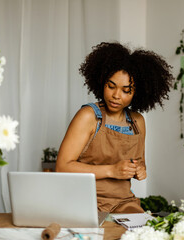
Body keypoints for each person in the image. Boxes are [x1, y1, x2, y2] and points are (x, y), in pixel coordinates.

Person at [56, 42, 173, 213]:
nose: (116, 95)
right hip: (84, 200)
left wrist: (139, 170)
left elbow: (140, 163)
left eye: (126, 91)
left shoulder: (137, 122)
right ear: (102, 82)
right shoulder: (88, 116)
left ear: (137, 93)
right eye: (111, 86)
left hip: (123, 202)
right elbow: (62, 167)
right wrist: (112, 170)